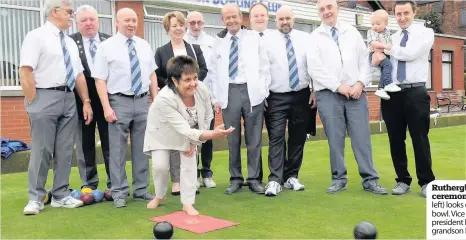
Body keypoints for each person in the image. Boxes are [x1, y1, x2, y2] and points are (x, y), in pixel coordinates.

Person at [307, 0, 387, 195]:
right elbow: (315, 68)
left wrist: (360, 83)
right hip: (329, 94)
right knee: (335, 139)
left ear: (337, 8)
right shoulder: (314, 37)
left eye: (329, 7)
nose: (326, 12)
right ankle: (338, 179)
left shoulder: (352, 33)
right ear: (318, 13)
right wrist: (338, 86)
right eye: (322, 9)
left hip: (356, 94)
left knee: (362, 138)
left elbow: (365, 61)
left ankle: (370, 179)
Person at [20, 0, 93, 215]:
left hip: (68, 98)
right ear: (54, 12)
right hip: (43, 96)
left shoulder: (69, 42)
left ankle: (60, 195)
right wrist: (33, 101)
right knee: (42, 150)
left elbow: (78, 74)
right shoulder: (36, 36)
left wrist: (86, 101)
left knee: (64, 150)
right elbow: (25, 71)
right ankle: (35, 198)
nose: (72, 16)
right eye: (69, 12)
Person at [143, 55, 234, 215]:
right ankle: (160, 195)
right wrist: (211, 134)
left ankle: (188, 203)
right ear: (175, 80)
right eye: (187, 80)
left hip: (190, 131)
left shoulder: (202, 89)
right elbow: (182, 128)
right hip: (162, 132)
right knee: (160, 167)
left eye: (195, 78)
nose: (193, 83)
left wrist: (196, 141)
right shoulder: (165, 98)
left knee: (189, 163)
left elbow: (207, 115)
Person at [93, 8, 158, 208]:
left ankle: (141, 190)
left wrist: (155, 101)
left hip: (141, 101)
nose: (131, 24)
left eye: (134, 20)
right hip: (118, 101)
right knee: (118, 149)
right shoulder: (106, 47)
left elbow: (151, 75)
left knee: (142, 148)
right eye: (127, 20)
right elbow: (100, 80)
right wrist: (106, 108)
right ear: (117, 22)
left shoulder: (144, 45)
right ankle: (119, 191)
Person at [372, 0, 435, 198]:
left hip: (416, 92)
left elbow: (410, 53)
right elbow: (382, 62)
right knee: (396, 139)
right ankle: (402, 180)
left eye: (406, 13)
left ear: (414, 12)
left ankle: (426, 182)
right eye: (398, 14)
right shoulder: (392, 36)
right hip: (392, 93)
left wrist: (385, 48)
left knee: (420, 138)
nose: (402, 18)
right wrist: (376, 58)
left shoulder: (425, 33)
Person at [209, 3, 270, 195]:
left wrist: (263, 91)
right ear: (223, 20)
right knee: (232, 138)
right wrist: (215, 99)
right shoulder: (218, 42)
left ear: (241, 17)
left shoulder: (254, 38)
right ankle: (235, 178)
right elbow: (212, 72)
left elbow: (265, 66)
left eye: (234, 16)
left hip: (252, 92)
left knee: (254, 138)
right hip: (229, 92)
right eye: (227, 17)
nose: (231, 20)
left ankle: (253, 179)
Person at [262, 6, 316, 197]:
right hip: (276, 96)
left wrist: (314, 89)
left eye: (288, 18)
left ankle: (291, 176)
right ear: (275, 21)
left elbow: (313, 66)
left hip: (302, 95)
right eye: (280, 19)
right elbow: (263, 68)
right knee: (276, 137)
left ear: (293, 19)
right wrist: (262, 94)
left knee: (297, 137)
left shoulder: (305, 39)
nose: (284, 22)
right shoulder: (266, 40)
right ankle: (275, 180)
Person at [154, 11, 208, 195]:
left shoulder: (194, 49)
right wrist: (175, 86)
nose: (178, 28)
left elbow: (203, 69)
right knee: (176, 139)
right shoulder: (161, 51)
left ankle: (191, 179)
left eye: (180, 24)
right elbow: (158, 75)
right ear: (168, 29)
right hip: (172, 99)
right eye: (174, 25)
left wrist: (190, 85)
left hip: (192, 99)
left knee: (192, 137)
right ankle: (177, 181)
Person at [70, 4, 112, 191]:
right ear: (77, 23)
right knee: (85, 144)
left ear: (98, 21)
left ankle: (115, 182)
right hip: (81, 102)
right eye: (83, 20)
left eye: (92, 19)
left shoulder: (110, 41)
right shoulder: (69, 42)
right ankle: (89, 183)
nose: (88, 23)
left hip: (107, 102)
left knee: (110, 143)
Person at [184, 11, 217, 189]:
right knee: (191, 138)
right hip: (186, 98)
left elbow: (213, 72)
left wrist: (215, 98)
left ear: (204, 23)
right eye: (192, 23)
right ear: (187, 23)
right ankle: (193, 174)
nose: (196, 26)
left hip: (206, 96)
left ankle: (207, 173)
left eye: (199, 23)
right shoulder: (182, 42)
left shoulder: (212, 42)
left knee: (207, 136)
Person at [367, 10, 401, 100]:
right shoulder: (371, 32)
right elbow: (374, 43)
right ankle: (388, 83)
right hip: (374, 54)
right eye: (373, 24)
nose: (375, 26)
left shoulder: (387, 32)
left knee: (386, 68)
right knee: (387, 65)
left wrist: (388, 47)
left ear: (385, 24)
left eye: (378, 24)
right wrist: (385, 46)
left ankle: (380, 89)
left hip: (384, 53)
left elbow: (390, 44)